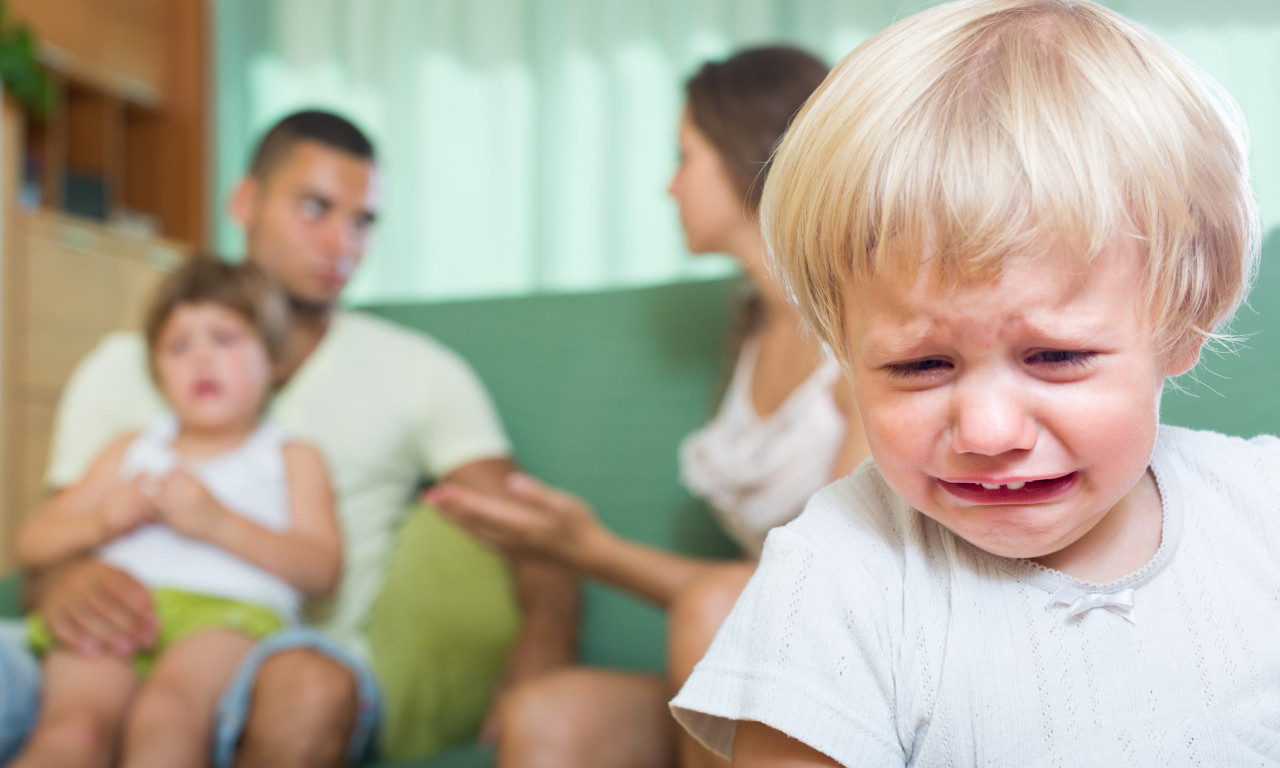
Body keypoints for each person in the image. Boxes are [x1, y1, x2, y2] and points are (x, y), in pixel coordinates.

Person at [669, 0, 1278, 765]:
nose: (989, 434)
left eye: (1055, 357)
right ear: (844, 350)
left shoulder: (1263, 512)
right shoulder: (832, 575)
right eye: (920, 365)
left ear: (1183, 325)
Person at [0, 110, 579, 766]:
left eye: (363, 222)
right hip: (106, 645)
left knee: (300, 687)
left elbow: (535, 528)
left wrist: (545, 640)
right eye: (315, 208)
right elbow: (44, 554)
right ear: (245, 203)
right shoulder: (120, 367)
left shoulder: (421, 373)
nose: (342, 244)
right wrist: (69, 581)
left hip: (273, 645)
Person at [425, 46, 871, 768]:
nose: (670, 185)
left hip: (851, 661)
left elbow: (827, 592)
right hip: (752, 646)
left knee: (710, 610)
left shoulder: (863, 334)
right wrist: (568, 544)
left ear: (748, 153)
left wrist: (590, 550)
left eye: (683, 156)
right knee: (546, 716)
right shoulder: (751, 329)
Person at [12, 257, 342, 768]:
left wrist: (220, 524)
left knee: (166, 717)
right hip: (117, 611)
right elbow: (32, 541)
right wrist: (100, 522)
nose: (201, 359)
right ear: (158, 372)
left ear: (275, 359)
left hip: (227, 616)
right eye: (179, 346)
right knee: (72, 730)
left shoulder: (291, 456)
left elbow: (322, 569)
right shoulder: (131, 449)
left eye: (225, 339)